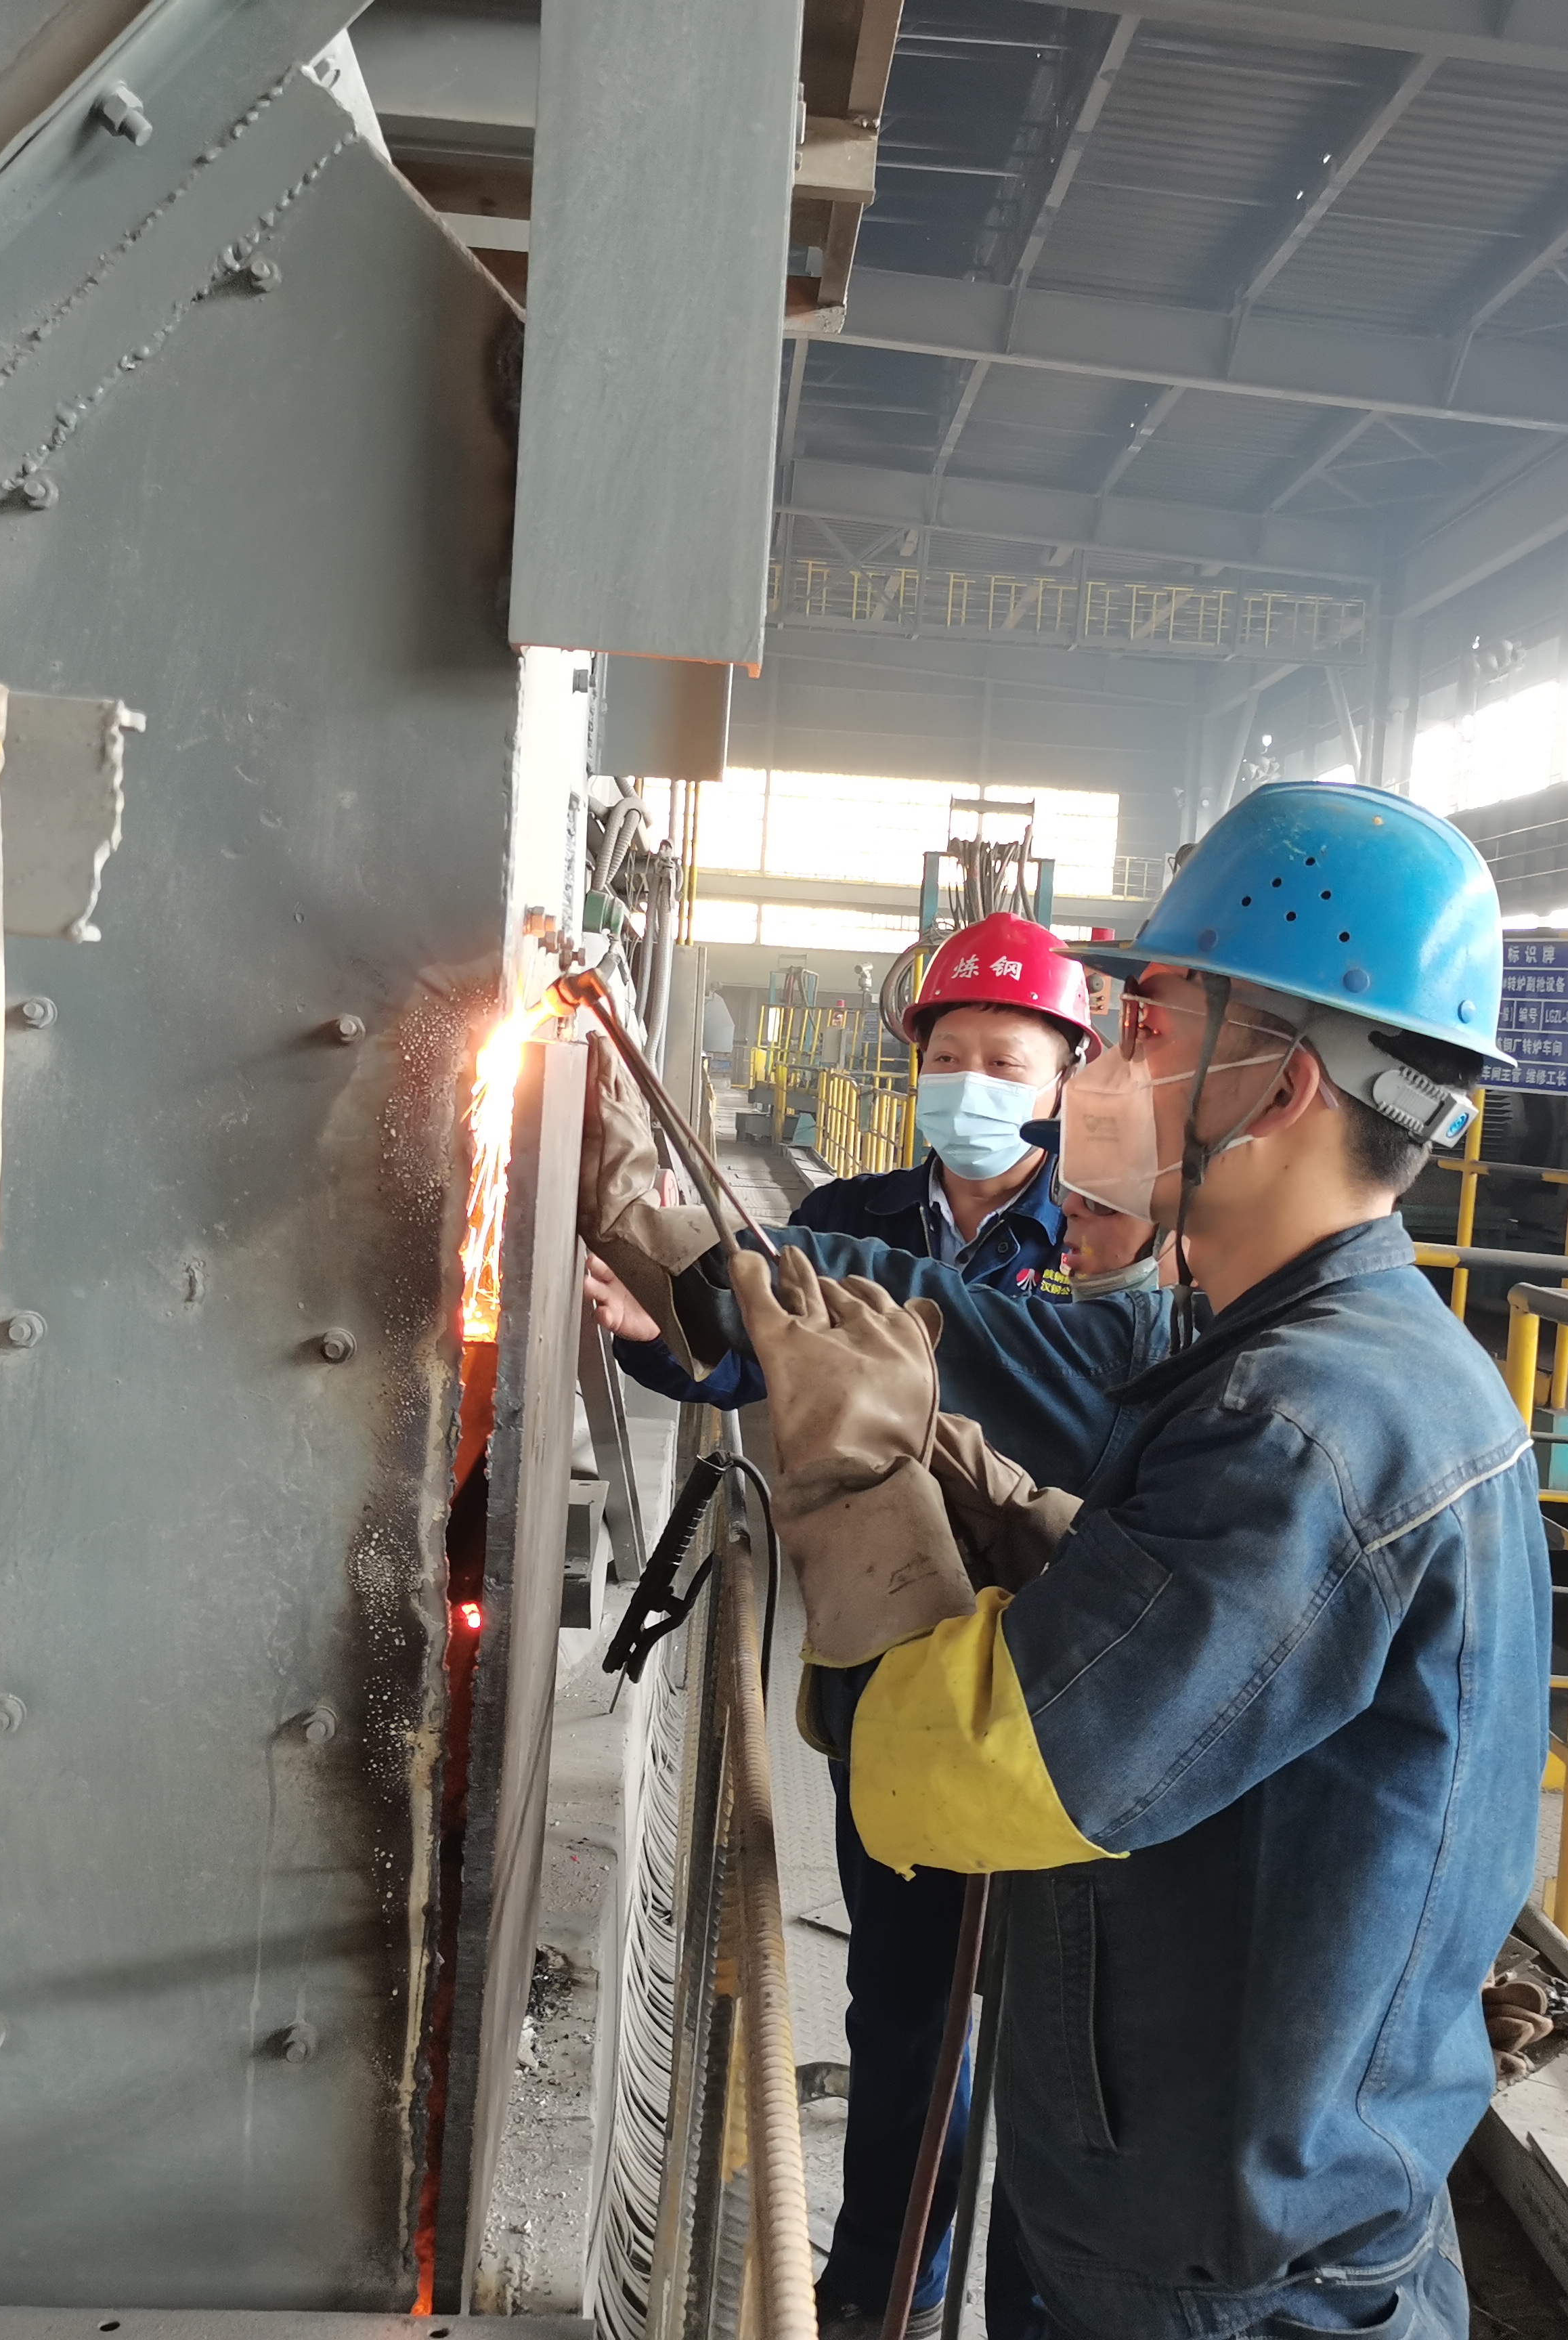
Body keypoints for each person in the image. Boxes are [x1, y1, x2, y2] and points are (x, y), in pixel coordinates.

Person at [613, 783, 1549, 2340]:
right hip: (1180, 2221)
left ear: (1284, 1085)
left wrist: (858, 1472)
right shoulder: (1288, 1359)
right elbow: (1188, 1658)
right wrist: (983, 1495)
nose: (1099, 1073)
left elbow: (944, 1781)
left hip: (1223, 2287)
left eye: (1152, 1026)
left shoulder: (1309, 1427)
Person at [588, 911, 1106, 2340]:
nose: (977, 1081)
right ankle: (885, 2283)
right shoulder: (862, 1223)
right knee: (908, 1997)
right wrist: (655, 1340)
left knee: (1072, 2029)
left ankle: (1034, 2294)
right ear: (917, 1064)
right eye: (953, 1053)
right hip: (903, 1656)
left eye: (1009, 1056)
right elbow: (754, 1344)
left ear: (1067, 1076)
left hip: (1074, 1665)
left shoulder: (1117, 1244)